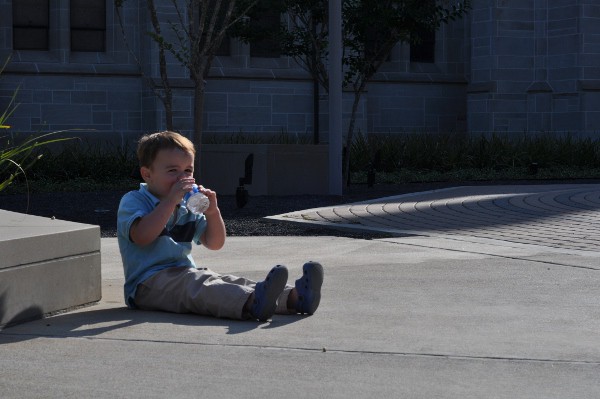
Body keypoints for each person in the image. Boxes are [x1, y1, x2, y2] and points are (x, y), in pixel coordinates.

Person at [117, 130, 323, 321]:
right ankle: (253, 302)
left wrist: (213, 212)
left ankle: (295, 297)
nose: (183, 178)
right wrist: (169, 202)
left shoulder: (187, 206)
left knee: (222, 280)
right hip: (147, 284)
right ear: (147, 174)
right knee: (202, 287)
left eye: (188, 170)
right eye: (172, 171)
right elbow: (142, 236)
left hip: (184, 273)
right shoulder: (134, 201)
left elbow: (214, 243)